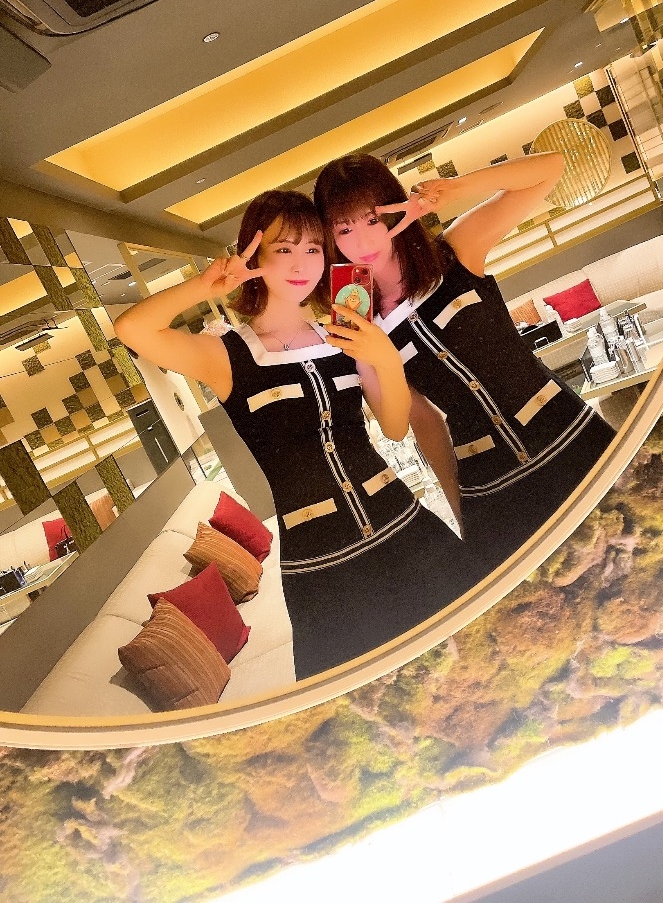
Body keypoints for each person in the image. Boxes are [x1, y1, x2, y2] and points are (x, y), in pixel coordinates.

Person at [114, 190, 477, 680]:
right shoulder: (227, 356)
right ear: (254, 255)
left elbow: (394, 428)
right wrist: (203, 286)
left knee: (477, 657)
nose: (301, 263)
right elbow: (133, 329)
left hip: (405, 526)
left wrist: (385, 359)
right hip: (323, 563)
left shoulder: (343, 333)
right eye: (283, 249)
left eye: (313, 249)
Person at [313, 153, 616, 574]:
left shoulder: (455, 252)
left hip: (570, 437)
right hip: (487, 481)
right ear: (331, 240)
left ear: (397, 207)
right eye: (344, 229)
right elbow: (420, 421)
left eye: (372, 219)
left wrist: (457, 188)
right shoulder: (361, 323)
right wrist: (458, 507)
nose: (363, 241)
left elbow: (551, 169)